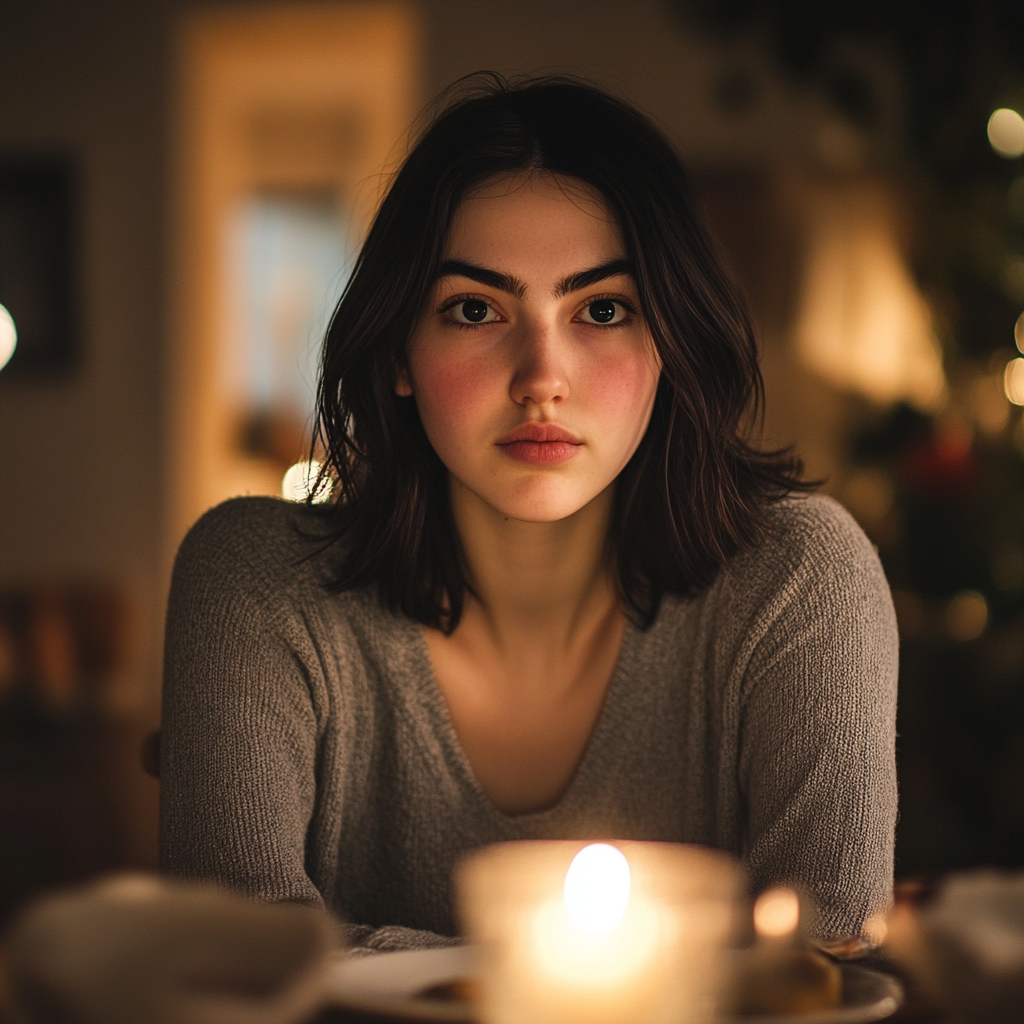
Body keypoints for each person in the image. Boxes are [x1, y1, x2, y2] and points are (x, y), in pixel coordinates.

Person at [160, 75, 898, 949]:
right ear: (399, 348)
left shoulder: (800, 581)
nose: (541, 375)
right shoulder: (255, 581)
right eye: (476, 309)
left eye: (603, 309)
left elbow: (828, 969)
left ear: (669, 345)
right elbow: (233, 969)